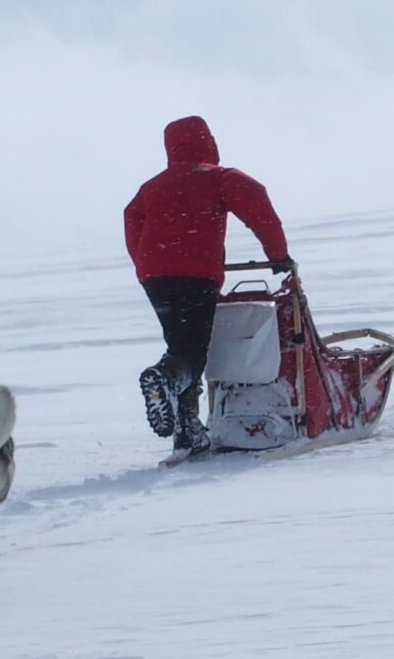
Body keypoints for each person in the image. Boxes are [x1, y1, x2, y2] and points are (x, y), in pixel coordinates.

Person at [121, 115, 291, 453]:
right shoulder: (217, 177)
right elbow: (256, 201)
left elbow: (131, 216)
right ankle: (166, 379)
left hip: (155, 278)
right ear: (208, 141)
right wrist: (278, 255)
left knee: (181, 345)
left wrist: (144, 262)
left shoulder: (151, 186)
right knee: (192, 350)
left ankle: (188, 432)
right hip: (195, 274)